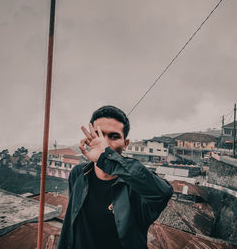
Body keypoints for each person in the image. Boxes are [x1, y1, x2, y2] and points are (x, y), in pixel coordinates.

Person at [58, 105, 173, 249]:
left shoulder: (137, 187)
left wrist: (108, 159)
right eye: (99, 135)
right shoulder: (78, 174)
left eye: (114, 136)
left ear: (125, 144)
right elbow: (71, 224)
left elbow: (164, 192)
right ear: (89, 139)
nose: (104, 143)